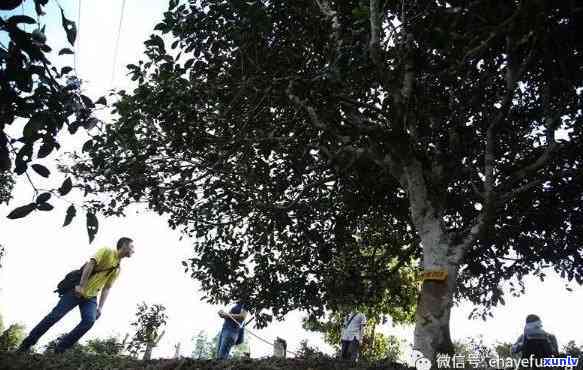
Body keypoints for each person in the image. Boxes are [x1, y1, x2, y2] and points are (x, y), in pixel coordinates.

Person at [17, 237, 135, 353]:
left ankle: (60, 349)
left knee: (89, 321)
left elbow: (107, 288)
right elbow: (90, 264)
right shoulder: (107, 251)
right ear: (124, 245)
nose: (133, 250)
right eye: (131, 247)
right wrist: (81, 286)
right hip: (77, 290)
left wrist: (100, 307)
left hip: (91, 297)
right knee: (55, 316)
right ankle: (27, 344)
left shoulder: (118, 268)